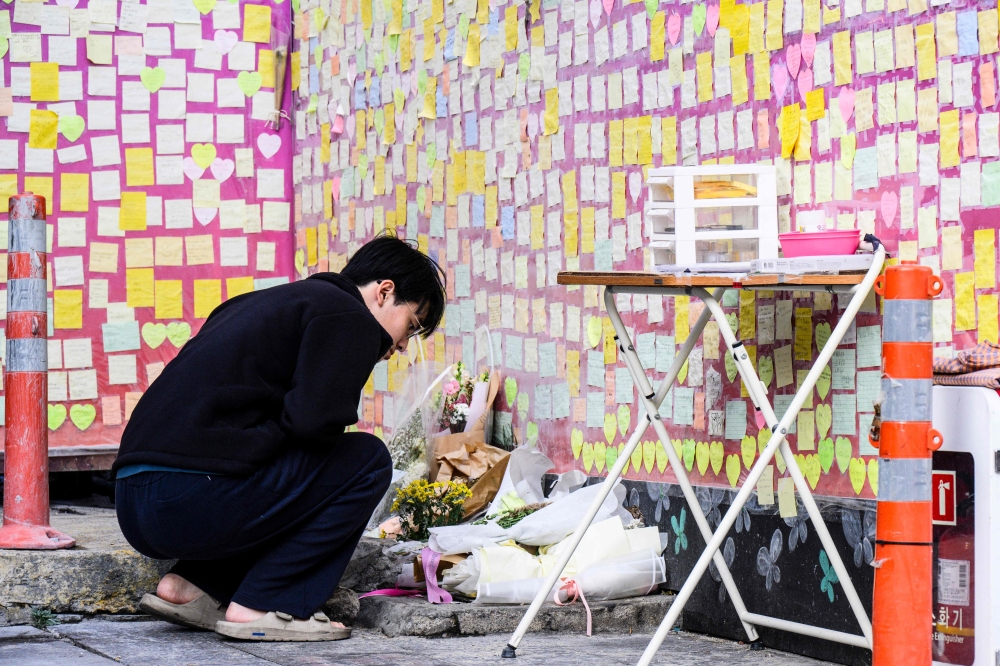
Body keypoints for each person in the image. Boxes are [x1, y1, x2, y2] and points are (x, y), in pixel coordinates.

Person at [113, 235, 445, 642]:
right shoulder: (348, 316)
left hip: (134, 502)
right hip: (187, 500)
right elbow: (313, 427)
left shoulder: (266, 303)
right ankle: (267, 604)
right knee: (366, 461)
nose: (400, 347)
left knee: (291, 468)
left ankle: (190, 587)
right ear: (384, 291)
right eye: (409, 326)